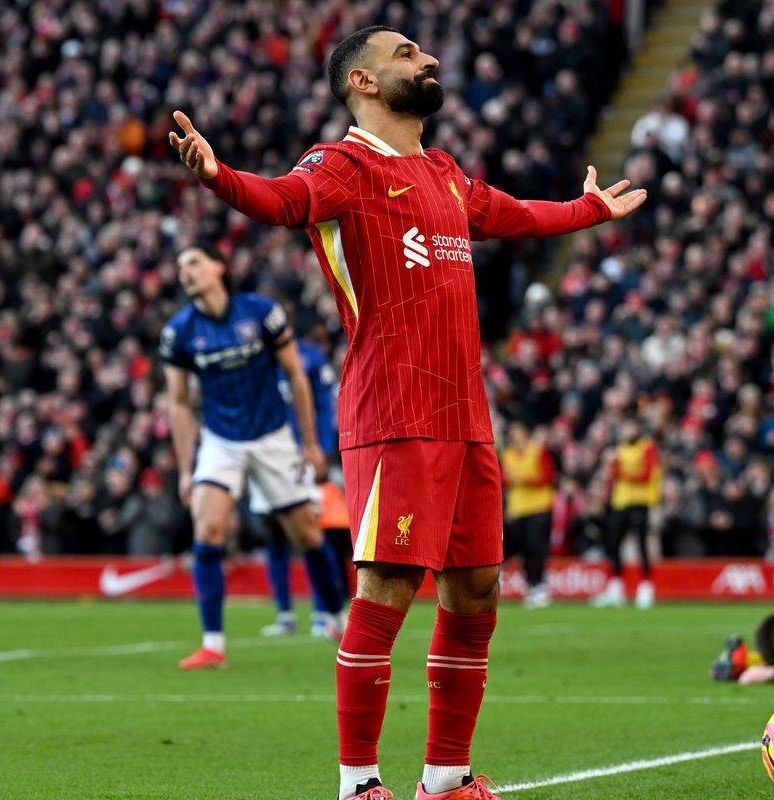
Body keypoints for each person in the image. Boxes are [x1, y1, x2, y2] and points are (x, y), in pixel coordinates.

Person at [169, 25, 645, 800]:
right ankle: (358, 784)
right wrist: (220, 175)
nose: (426, 60)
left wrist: (586, 210)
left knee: (476, 591)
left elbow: (514, 215)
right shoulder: (342, 165)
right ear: (362, 82)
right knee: (387, 587)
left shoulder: (445, 172)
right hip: (393, 412)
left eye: (422, 52)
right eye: (405, 54)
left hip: (466, 415)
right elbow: (283, 200)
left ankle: (446, 779)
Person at [161, 245, 346, 669]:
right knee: (208, 528)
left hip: (272, 437)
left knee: (307, 535)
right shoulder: (179, 332)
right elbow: (178, 402)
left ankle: (337, 618)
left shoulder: (261, 313)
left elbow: (296, 374)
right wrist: (186, 468)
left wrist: (310, 443)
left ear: (218, 267)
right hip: (221, 440)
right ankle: (213, 644)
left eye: (194, 262)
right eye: (180, 266)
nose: (185, 272)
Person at [255, 335, 347, 638]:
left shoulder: (310, 357)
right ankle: (285, 614)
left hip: (302, 456)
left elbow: (326, 405)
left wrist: (320, 448)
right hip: (265, 451)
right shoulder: (256, 354)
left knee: (311, 532)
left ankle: (324, 613)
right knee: (273, 534)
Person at [592, 419, 661, 609]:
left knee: (641, 544)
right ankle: (616, 587)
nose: (626, 431)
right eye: (624, 428)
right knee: (613, 543)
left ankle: (646, 587)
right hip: (620, 501)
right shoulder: (619, 450)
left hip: (640, 500)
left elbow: (646, 474)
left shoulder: (647, 446)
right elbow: (612, 476)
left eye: (630, 427)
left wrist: (621, 472)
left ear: (637, 428)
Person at [500, 422, 556, 608]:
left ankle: (539, 585)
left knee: (536, 548)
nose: (516, 439)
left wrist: (523, 480)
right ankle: (531, 585)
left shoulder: (538, 451)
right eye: (513, 436)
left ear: (526, 435)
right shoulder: (507, 455)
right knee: (523, 550)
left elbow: (548, 476)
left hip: (539, 507)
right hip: (518, 510)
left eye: (519, 435)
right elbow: (502, 480)